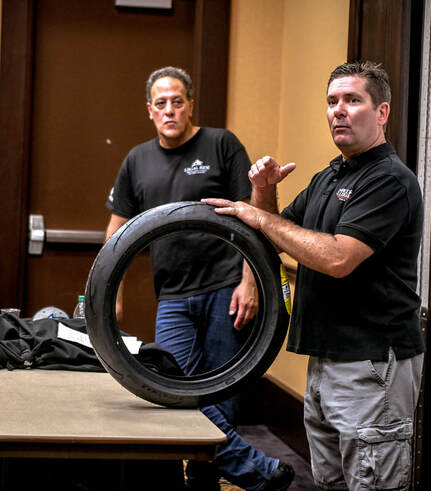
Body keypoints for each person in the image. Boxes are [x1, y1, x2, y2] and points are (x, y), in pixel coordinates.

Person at [204, 61, 425, 490]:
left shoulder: (389, 181)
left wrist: (259, 216)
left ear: (382, 112)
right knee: (330, 481)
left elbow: (339, 258)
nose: (338, 110)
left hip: (371, 363)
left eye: (353, 100)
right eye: (332, 101)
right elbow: (273, 236)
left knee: (372, 483)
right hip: (325, 360)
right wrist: (264, 193)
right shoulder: (330, 177)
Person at [105, 66, 295, 491]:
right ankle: (258, 472)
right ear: (149, 110)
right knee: (176, 391)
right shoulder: (137, 160)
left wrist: (250, 282)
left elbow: (252, 217)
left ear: (190, 104)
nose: (169, 110)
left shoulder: (221, 144)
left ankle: (203, 482)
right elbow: (117, 233)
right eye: (161, 103)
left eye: (177, 101)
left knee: (222, 393)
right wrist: (110, 294)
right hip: (173, 294)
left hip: (226, 287)